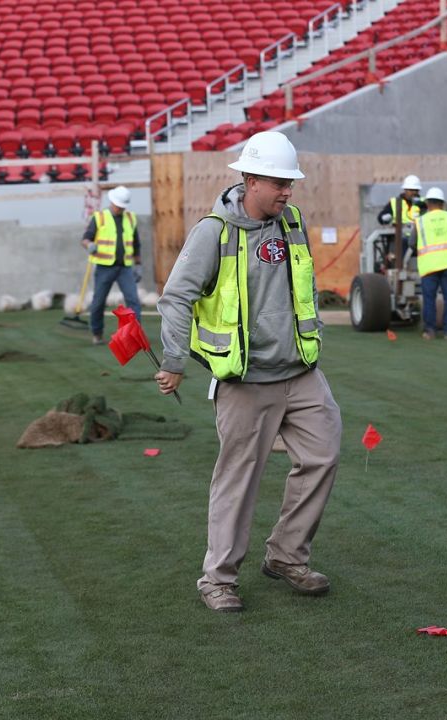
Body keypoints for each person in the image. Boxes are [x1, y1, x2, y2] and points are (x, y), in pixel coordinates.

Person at [154, 131, 343, 613]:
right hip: (244, 379)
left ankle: (286, 556)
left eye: (290, 184)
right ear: (250, 179)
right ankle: (218, 579)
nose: (287, 192)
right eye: (279, 183)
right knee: (239, 479)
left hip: (300, 372)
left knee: (322, 455)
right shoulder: (212, 231)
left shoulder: (292, 222)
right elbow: (176, 297)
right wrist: (174, 360)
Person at [82, 185, 142, 344]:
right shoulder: (99, 217)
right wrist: (89, 245)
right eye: (118, 205)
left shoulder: (131, 218)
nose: (119, 209)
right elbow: (86, 238)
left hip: (125, 268)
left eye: (122, 206)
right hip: (104, 268)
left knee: (133, 301)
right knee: (98, 302)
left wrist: (138, 265)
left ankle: (134, 336)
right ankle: (97, 333)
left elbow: (136, 244)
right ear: (112, 202)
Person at [414, 187, 447, 340]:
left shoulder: (420, 221)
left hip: (429, 266)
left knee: (429, 299)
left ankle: (430, 331)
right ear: (443, 203)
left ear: (427, 203)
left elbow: (411, 242)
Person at [374, 174, 424, 271]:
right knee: (399, 246)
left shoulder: (423, 203)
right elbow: (381, 217)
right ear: (405, 190)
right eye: (411, 190)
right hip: (401, 239)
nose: (414, 193)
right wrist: (385, 218)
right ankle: (397, 269)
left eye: (416, 190)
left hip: (419, 239)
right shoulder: (394, 203)